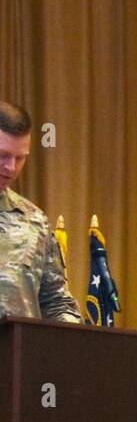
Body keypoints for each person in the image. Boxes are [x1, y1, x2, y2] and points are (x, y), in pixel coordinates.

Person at [0, 101, 81, 323]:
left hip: (17, 355)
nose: (11, 167)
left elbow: (55, 301)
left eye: (20, 158)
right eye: (3, 155)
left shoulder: (34, 221)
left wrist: (75, 336)